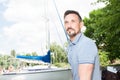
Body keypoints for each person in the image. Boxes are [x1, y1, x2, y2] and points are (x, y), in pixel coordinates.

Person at [64, 10, 101, 80]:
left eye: (73, 21)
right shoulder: (71, 46)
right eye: (66, 22)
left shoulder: (86, 44)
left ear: (81, 25)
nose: (69, 25)